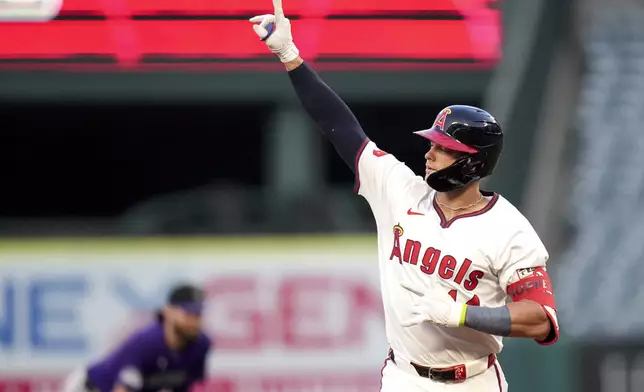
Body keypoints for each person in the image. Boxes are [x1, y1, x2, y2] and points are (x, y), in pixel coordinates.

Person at [249, 2, 560, 391]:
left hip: (474, 380)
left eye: (443, 148)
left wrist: (461, 313)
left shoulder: (509, 229)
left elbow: (540, 318)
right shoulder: (399, 189)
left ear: (472, 162)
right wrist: (290, 56)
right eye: (433, 143)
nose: (429, 153)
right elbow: (342, 128)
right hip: (404, 377)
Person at [61, 283, 212, 392]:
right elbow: (122, 390)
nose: (195, 320)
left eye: (198, 314)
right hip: (89, 387)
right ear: (168, 311)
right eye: (188, 313)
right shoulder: (147, 342)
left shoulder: (200, 345)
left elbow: (184, 385)